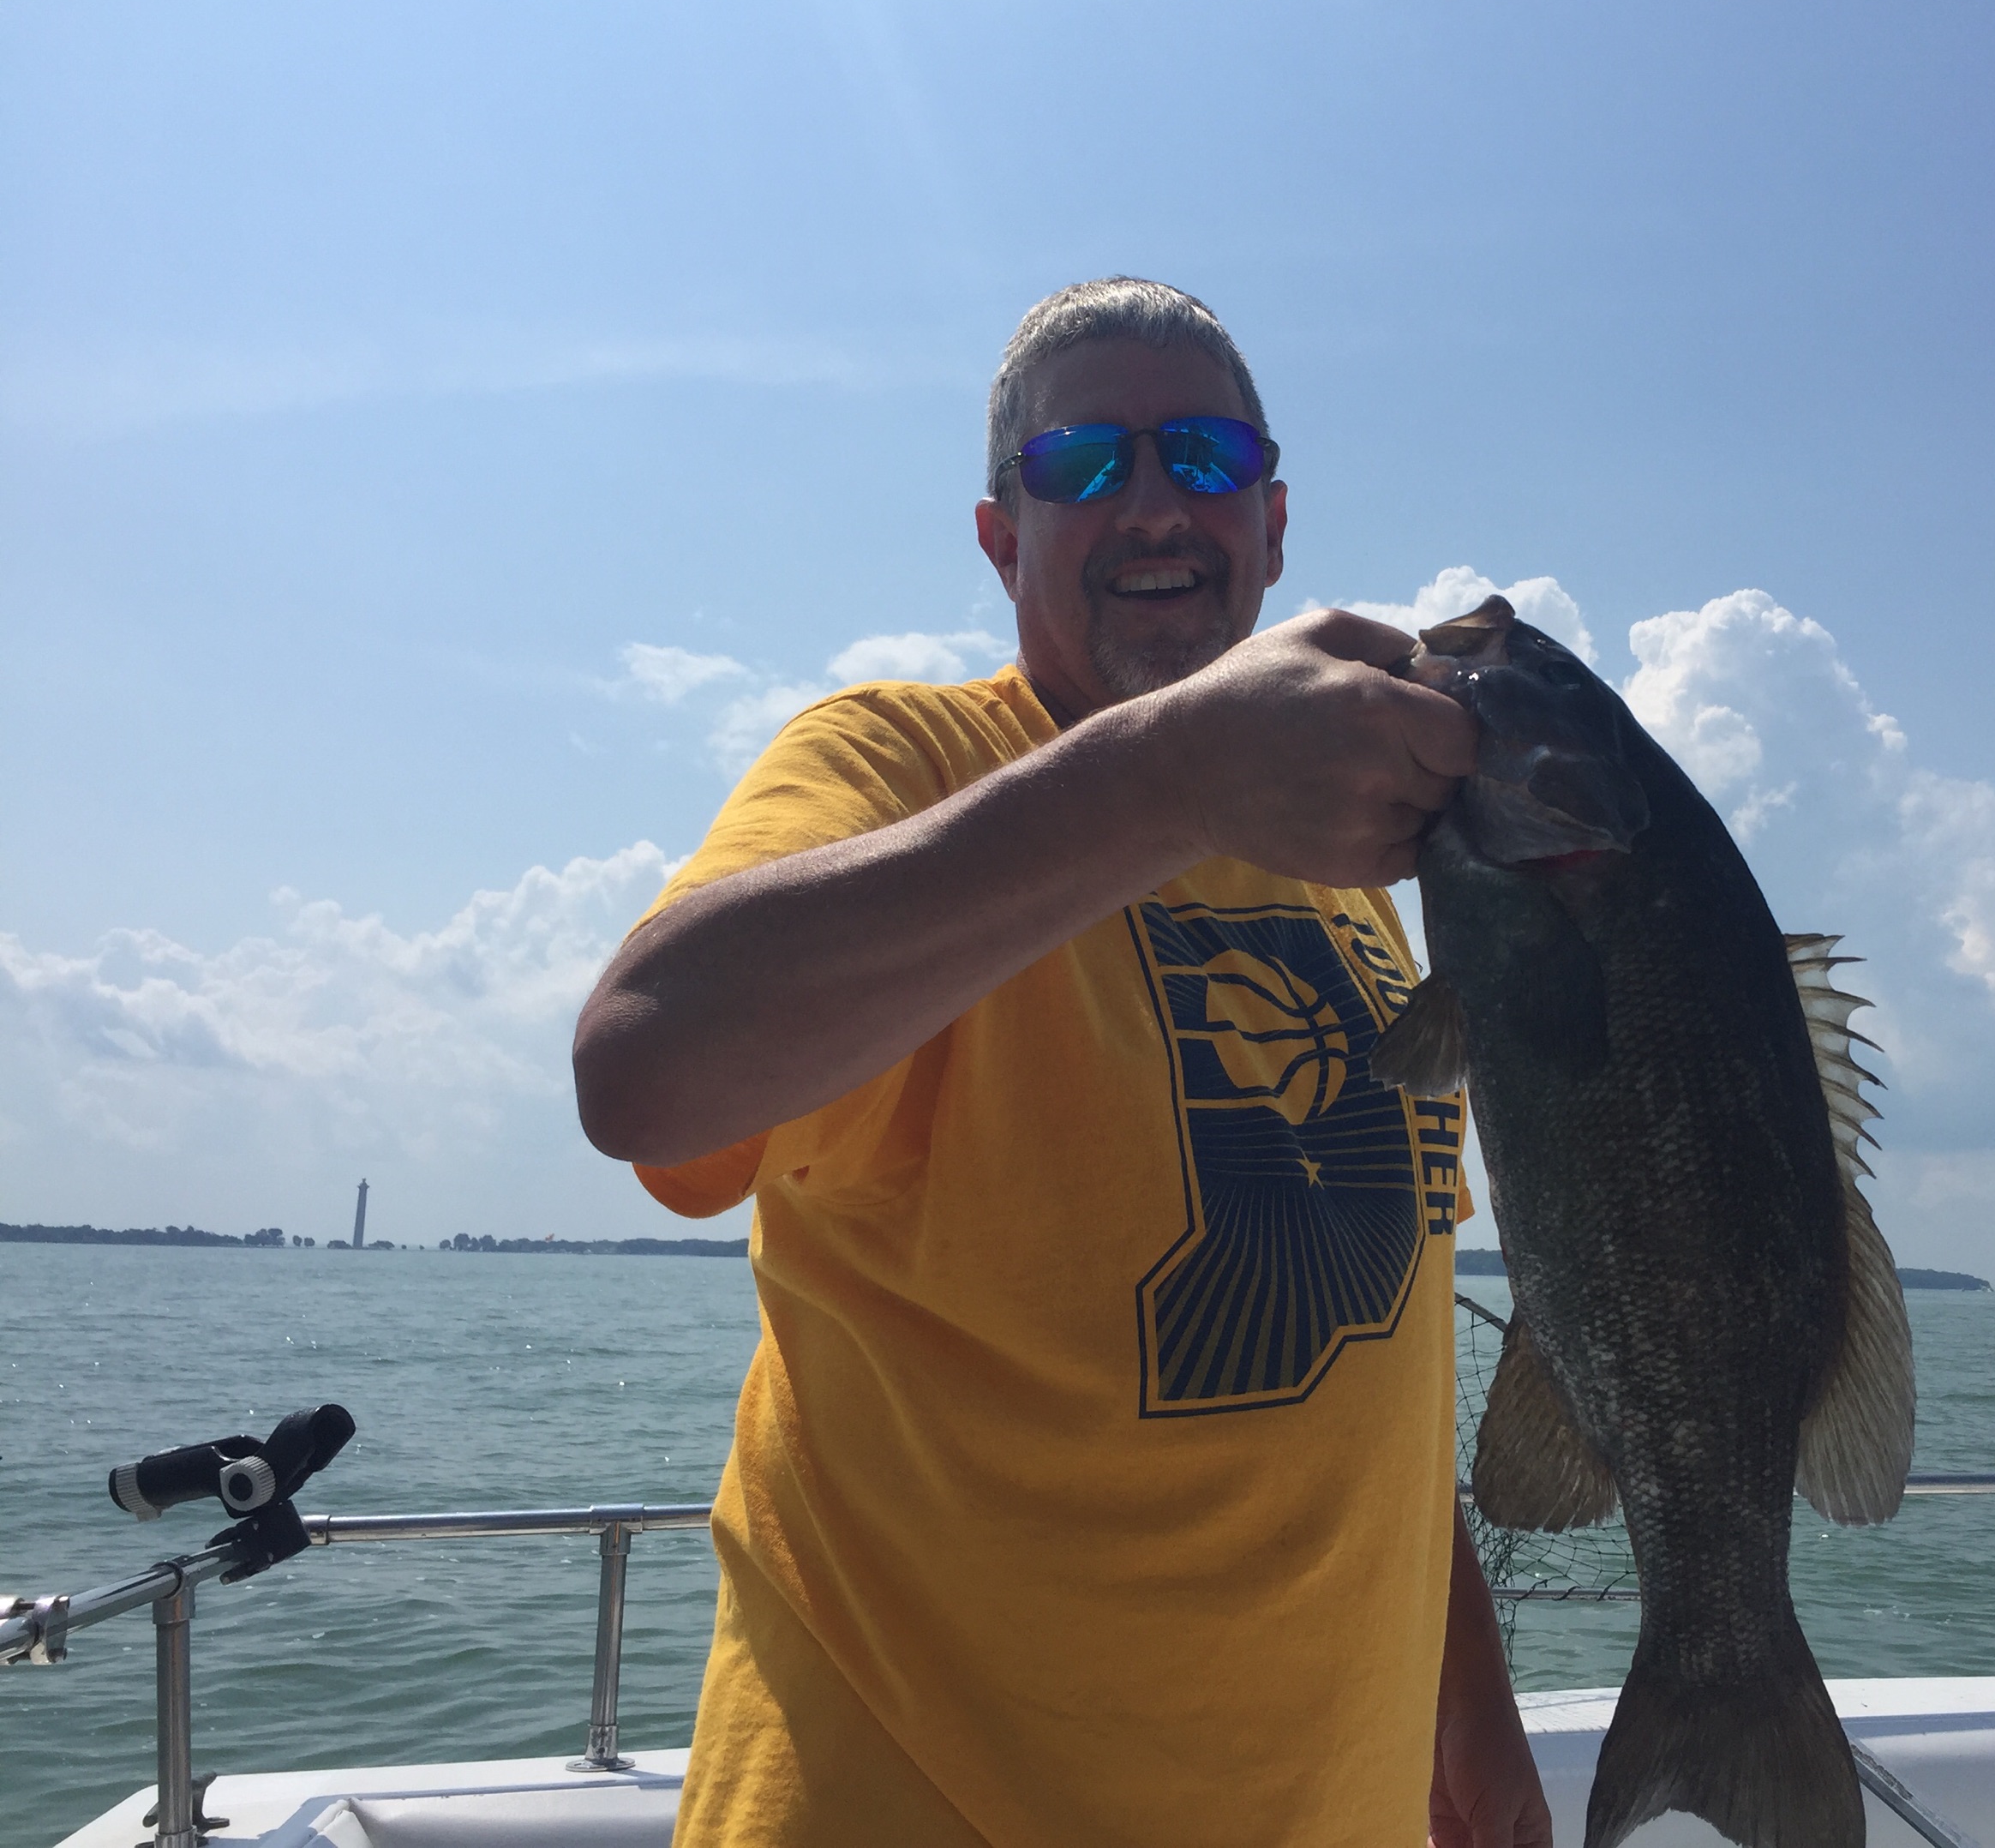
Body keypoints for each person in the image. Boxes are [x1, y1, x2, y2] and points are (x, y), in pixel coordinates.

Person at [573, 278, 1549, 1848]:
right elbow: (645, 1065)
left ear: (1276, 519)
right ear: (998, 534)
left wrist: (1471, 1701)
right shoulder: (896, 765)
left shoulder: (1345, 864)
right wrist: (1173, 773)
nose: (1154, 499)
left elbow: (1366, 1329)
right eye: (1084, 462)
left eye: (1208, 457)